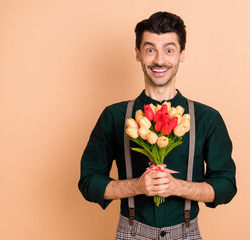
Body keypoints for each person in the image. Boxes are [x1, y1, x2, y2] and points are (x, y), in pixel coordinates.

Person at [78, 11, 237, 240]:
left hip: (187, 233)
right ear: (138, 54)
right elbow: (89, 181)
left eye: (169, 50)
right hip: (131, 233)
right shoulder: (114, 116)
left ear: (181, 54)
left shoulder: (207, 117)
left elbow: (226, 185)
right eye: (150, 49)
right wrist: (137, 186)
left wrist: (176, 187)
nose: (160, 60)